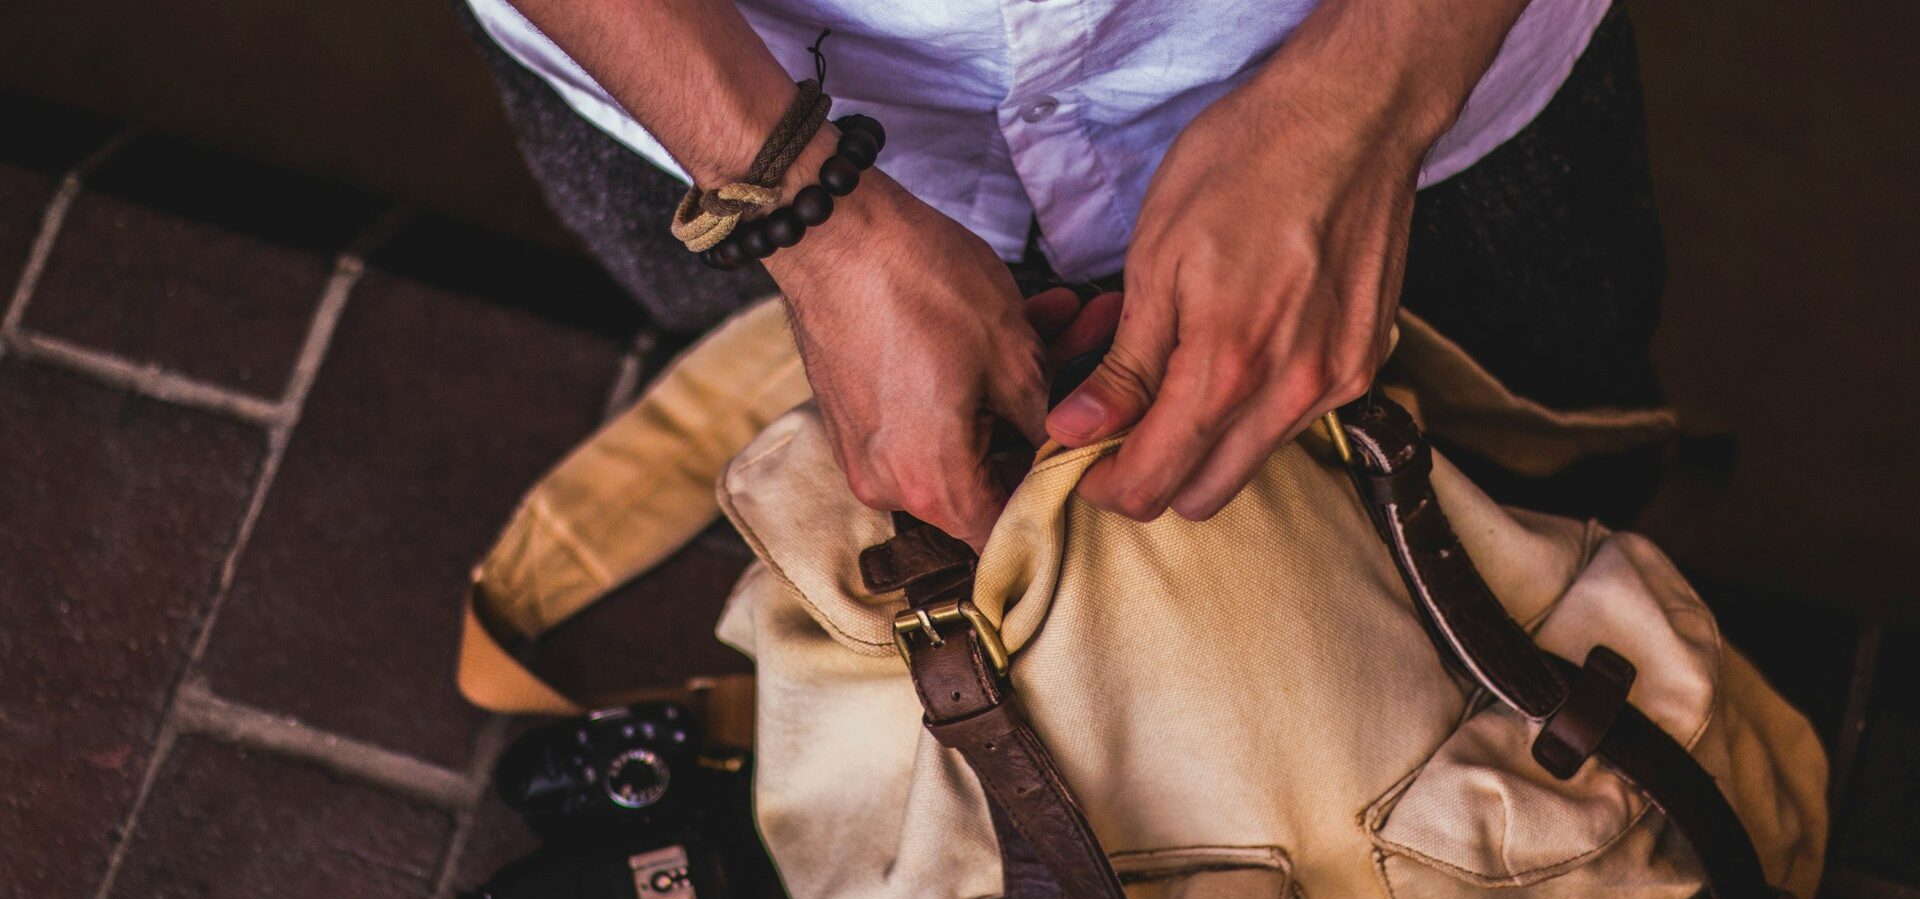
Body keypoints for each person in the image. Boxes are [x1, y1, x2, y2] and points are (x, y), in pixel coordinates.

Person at [457, 0, 1665, 549]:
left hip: (1419, 82)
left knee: (1551, 493)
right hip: (703, 90)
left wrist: (1373, 93)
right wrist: (804, 216)